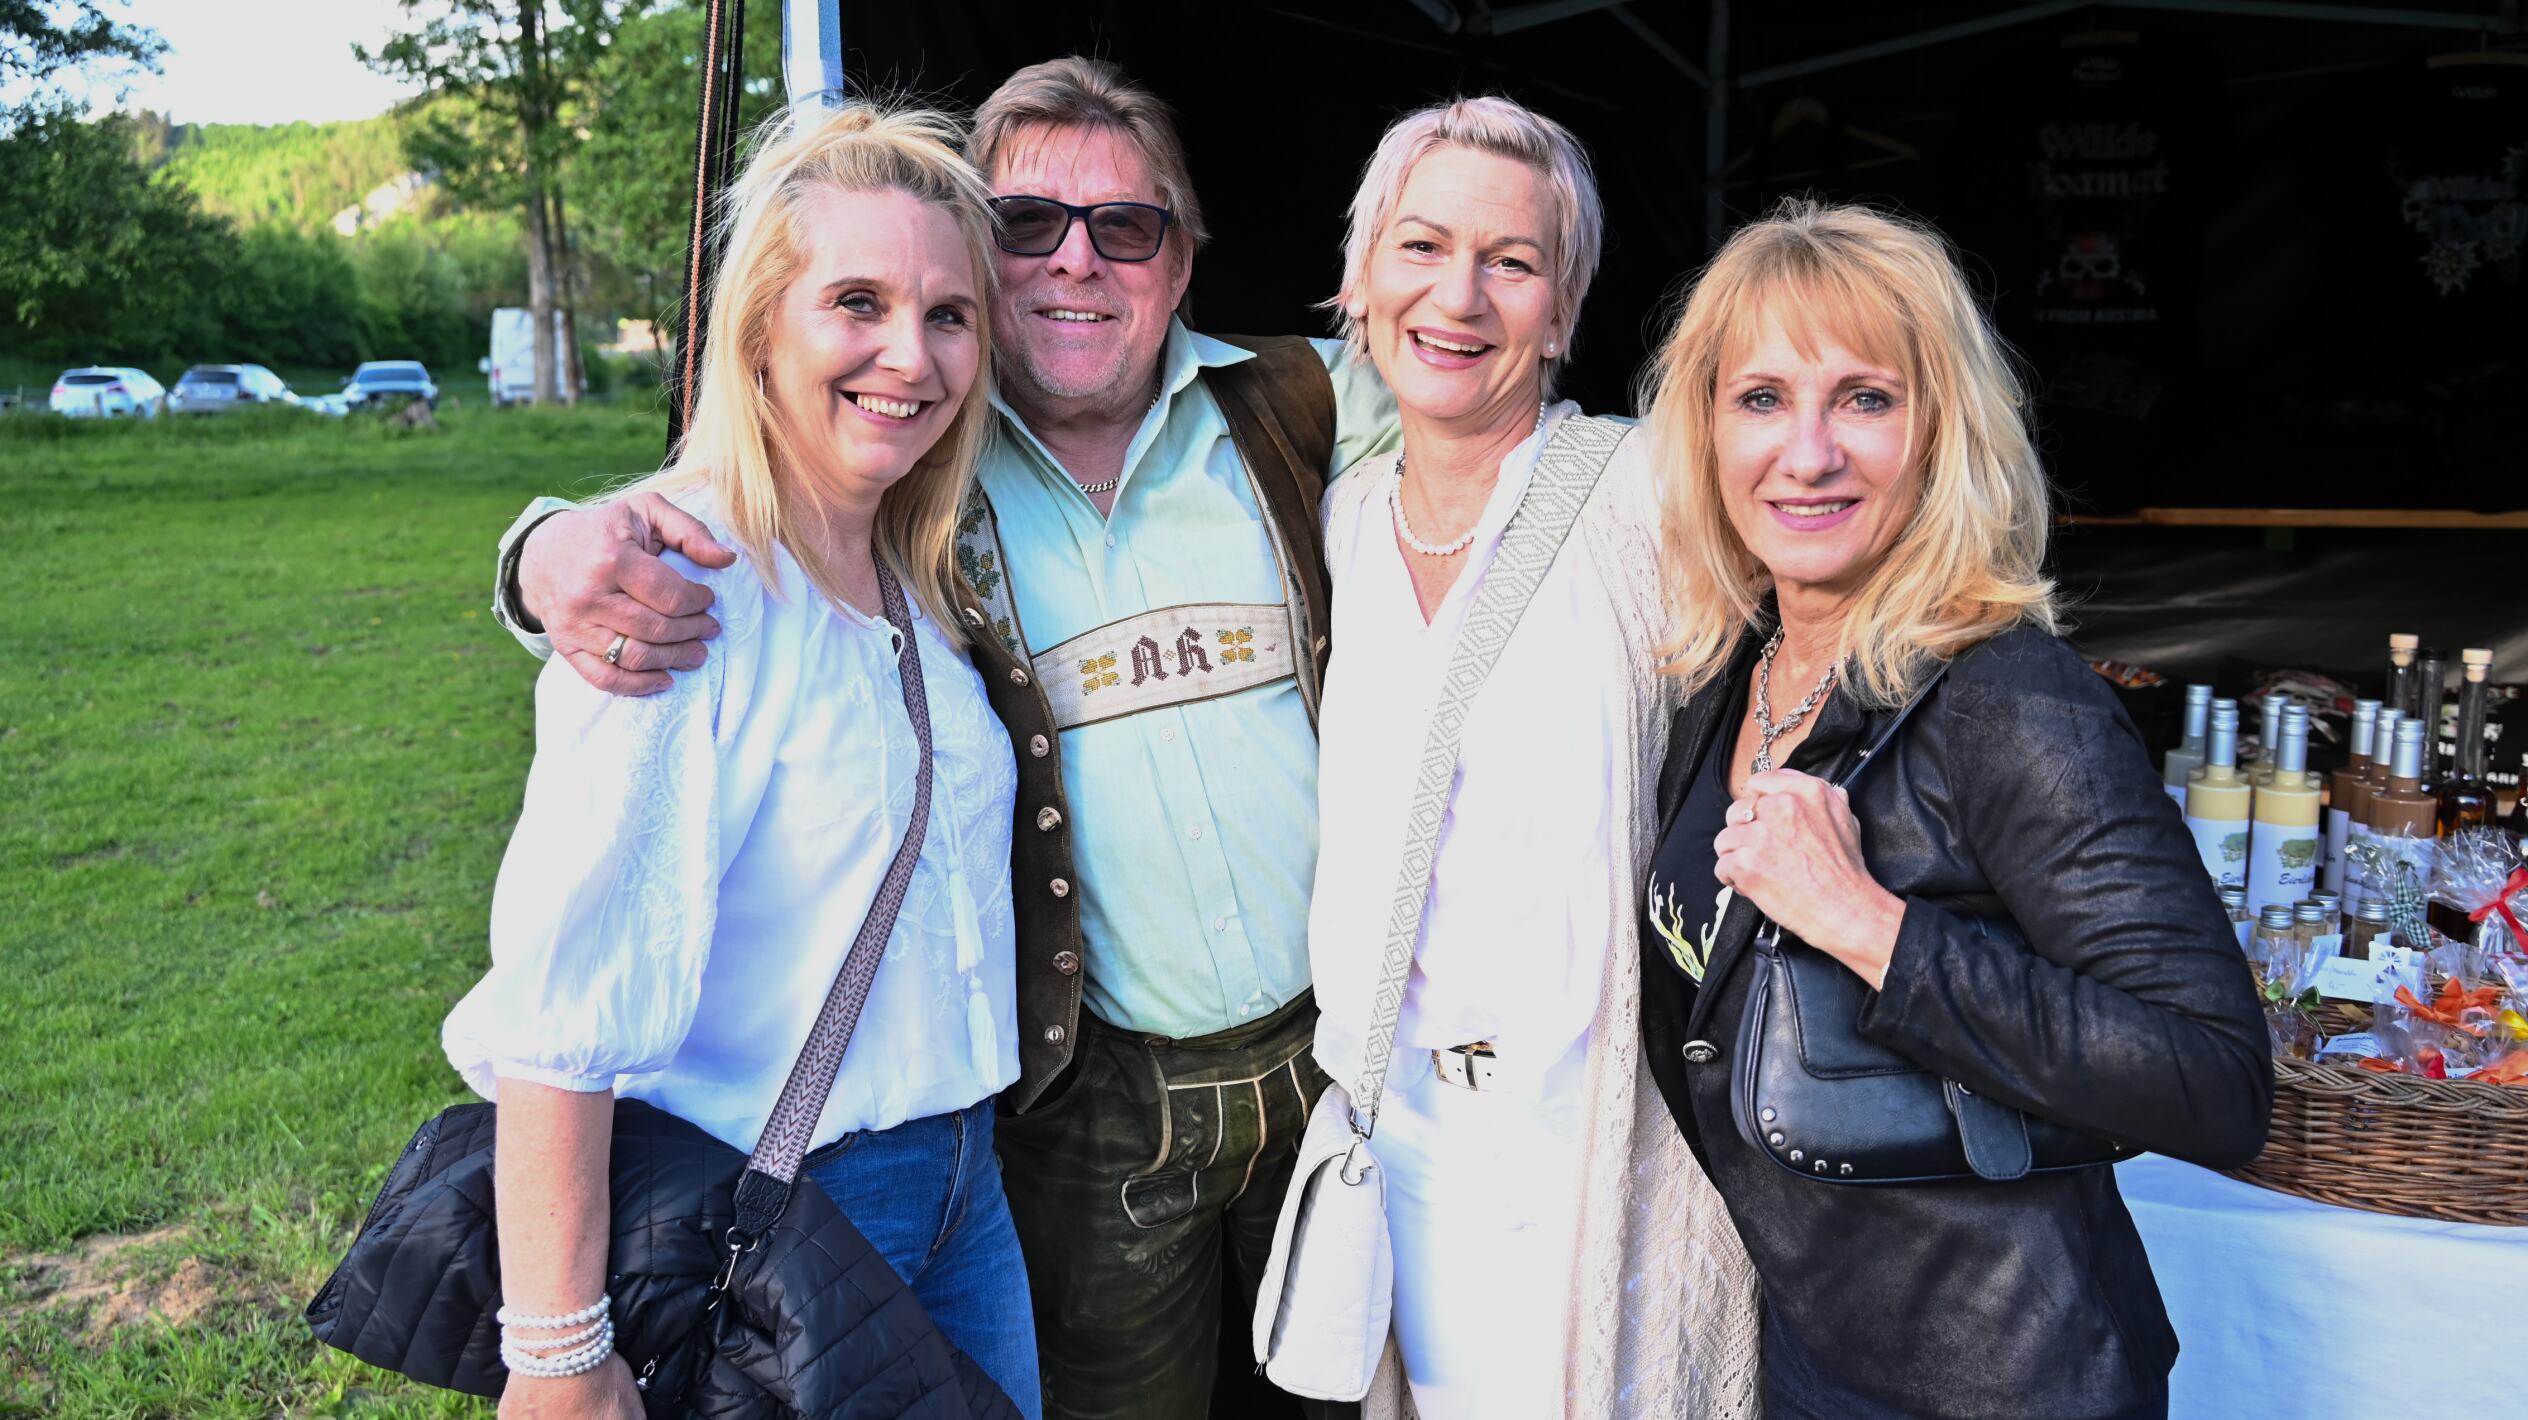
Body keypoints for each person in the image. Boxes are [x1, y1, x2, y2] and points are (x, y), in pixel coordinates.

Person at [484, 58, 1397, 1418]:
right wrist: (545, 555)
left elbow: (1479, 420)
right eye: (1025, 224)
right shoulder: (789, 546)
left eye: (1124, 225)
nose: (1075, 259)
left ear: (1180, 260)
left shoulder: (947, 531)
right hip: (879, 1166)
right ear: (760, 328)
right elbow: (561, 1007)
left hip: (1137, 1121)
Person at [439, 101, 1041, 1417]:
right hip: (787, 1211)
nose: (911, 353)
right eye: (857, 302)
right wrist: (558, 1357)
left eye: (948, 315)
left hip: (968, 1190)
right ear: (761, 327)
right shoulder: (682, 590)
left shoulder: (913, 574)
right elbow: (562, 1004)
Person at [1634, 198, 2273, 1420]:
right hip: (1809, 1359)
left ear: (1940, 432)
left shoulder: (2008, 698)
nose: (1806, 452)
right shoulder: (1730, 675)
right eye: (1760, 398)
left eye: (1863, 399)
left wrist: (1866, 925)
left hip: (2004, 1378)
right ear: (1704, 430)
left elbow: (2211, 1078)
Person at [1302, 97, 1757, 1420]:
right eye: (1421, 246)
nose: (1459, 296)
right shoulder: (1340, 522)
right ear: (1359, 280)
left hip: (1592, 1150)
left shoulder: (1644, 493)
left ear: (1560, 315)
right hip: (1401, 1145)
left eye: (1511, 262)